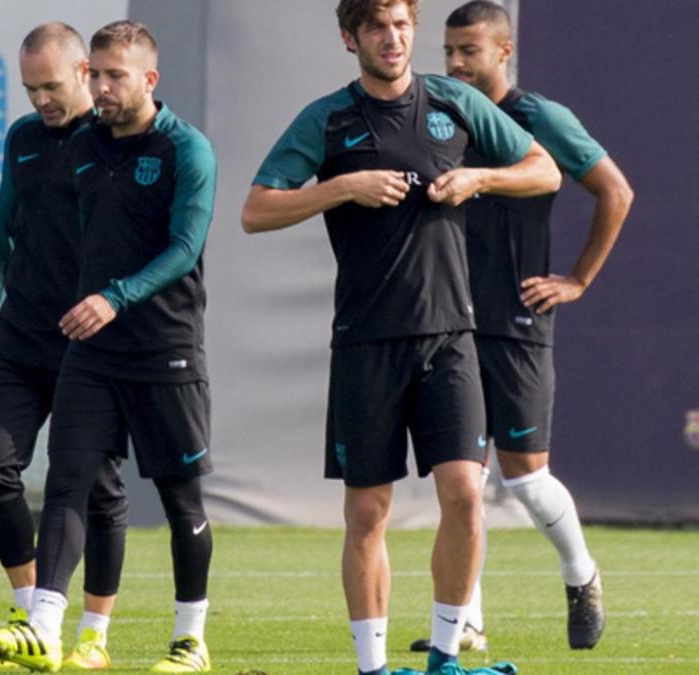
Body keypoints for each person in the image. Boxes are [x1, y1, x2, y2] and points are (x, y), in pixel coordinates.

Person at [241, 1, 561, 672]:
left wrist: (481, 175)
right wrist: (343, 186)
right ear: (349, 36)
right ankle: (373, 666)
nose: (394, 39)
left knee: (466, 493)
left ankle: (446, 654)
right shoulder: (327, 120)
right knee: (367, 511)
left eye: (403, 25)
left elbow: (544, 170)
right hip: (367, 339)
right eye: (378, 27)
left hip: (451, 336)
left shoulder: (452, 102)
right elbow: (257, 209)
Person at [0, 20, 218, 674]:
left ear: (148, 79)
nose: (102, 88)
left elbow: (185, 250)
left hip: (166, 348)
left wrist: (115, 294)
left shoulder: (185, 150)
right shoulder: (83, 147)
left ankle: (189, 637)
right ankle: (44, 626)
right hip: (90, 351)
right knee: (66, 480)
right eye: (98, 75)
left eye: (114, 76)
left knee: (179, 500)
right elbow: (27, 232)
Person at [409, 0, 634, 652]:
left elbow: (616, 190)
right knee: (462, 480)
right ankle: (465, 622)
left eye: (468, 52)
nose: (454, 64)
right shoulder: (440, 112)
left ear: (503, 52)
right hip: (451, 320)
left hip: (516, 319)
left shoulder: (538, 118)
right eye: (448, 52)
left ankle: (580, 571)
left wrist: (578, 279)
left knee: (527, 479)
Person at [0, 22, 127, 671]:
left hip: (90, 341)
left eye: (51, 87)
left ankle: (94, 631)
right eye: (30, 89)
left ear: (85, 73)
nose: (40, 101)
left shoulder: (112, 142)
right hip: (23, 336)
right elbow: (4, 230)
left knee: (101, 491)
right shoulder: (23, 140)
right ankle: (33, 611)